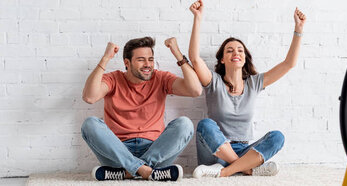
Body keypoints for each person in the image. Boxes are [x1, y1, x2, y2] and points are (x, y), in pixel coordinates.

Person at [186, 0, 307, 178]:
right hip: (216, 153)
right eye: (230, 51)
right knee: (205, 125)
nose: (236, 53)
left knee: (277, 137)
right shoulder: (214, 81)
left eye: (240, 50)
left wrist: (299, 30)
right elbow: (194, 59)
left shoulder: (254, 83)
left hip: (244, 150)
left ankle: (227, 171)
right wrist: (197, 18)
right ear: (222, 59)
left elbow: (289, 64)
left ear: (244, 58)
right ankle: (245, 169)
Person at [80, 36, 202, 181]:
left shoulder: (161, 78)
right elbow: (89, 97)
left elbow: (195, 91)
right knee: (90, 124)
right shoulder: (114, 79)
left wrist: (178, 54)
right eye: (141, 60)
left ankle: (128, 172)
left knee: (185, 124)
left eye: (150, 59)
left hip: (155, 151)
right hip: (118, 152)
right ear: (127, 62)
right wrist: (105, 58)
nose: (148, 64)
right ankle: (147, 171)